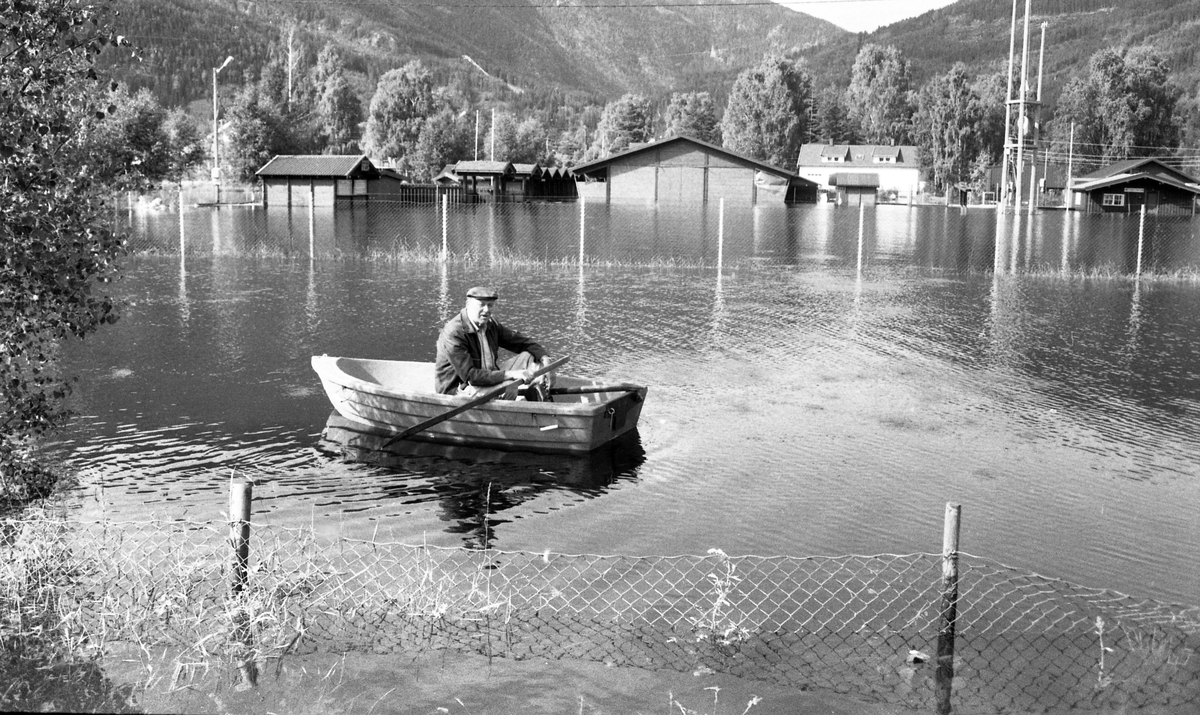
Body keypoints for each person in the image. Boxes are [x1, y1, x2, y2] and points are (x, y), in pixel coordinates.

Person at [434, 286, 554, 399]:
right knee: (508, 386)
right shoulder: (454, 333)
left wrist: (545, 360)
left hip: (488, 377)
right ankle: (512, 409)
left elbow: (522, 342)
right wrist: (511, 375)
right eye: (481, 305)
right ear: (468, 305)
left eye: (490, 305)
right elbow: (470, 376)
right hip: (460, 389)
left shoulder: (490, 325)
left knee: (531, 356)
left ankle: (535, 393)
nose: (486, 310)